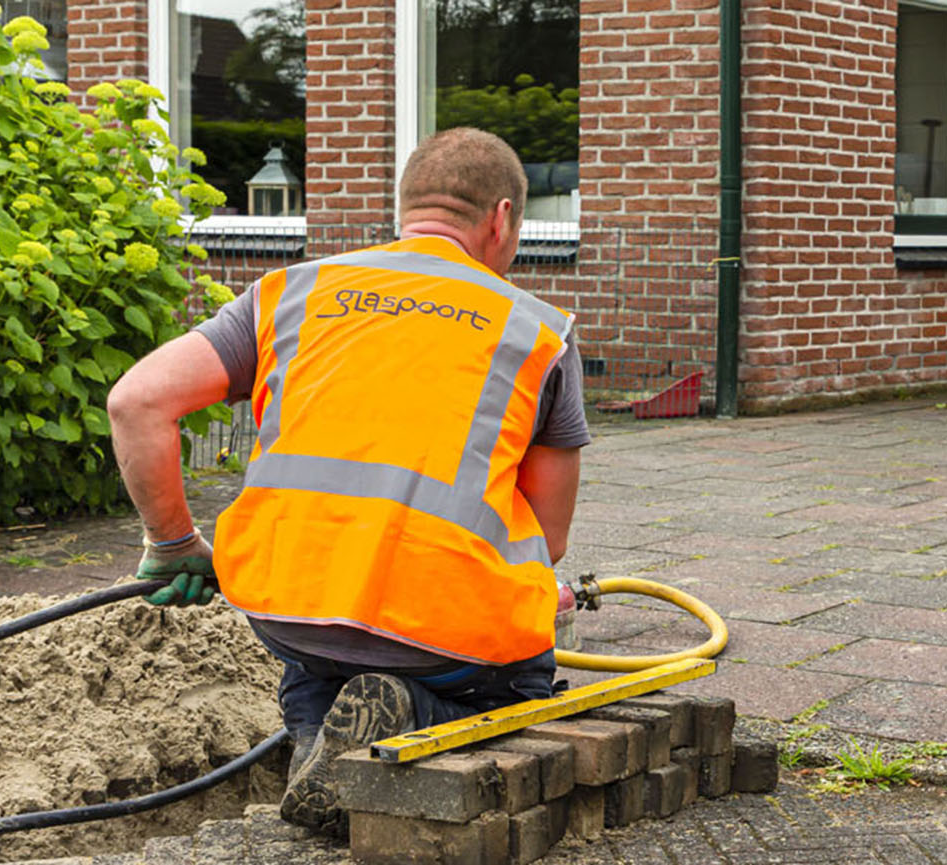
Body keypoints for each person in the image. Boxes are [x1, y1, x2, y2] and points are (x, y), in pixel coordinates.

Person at [106, 127, 589, 836]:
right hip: (446, 636)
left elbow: (137, 401)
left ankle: (316, 735)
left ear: (406, 209)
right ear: (503, 219)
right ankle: (414, 711)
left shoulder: (289, 293)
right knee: (524, 681)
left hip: (286, 612)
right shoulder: (538, 331)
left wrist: (174, 542)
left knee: (315, 654)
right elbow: (546, 538)